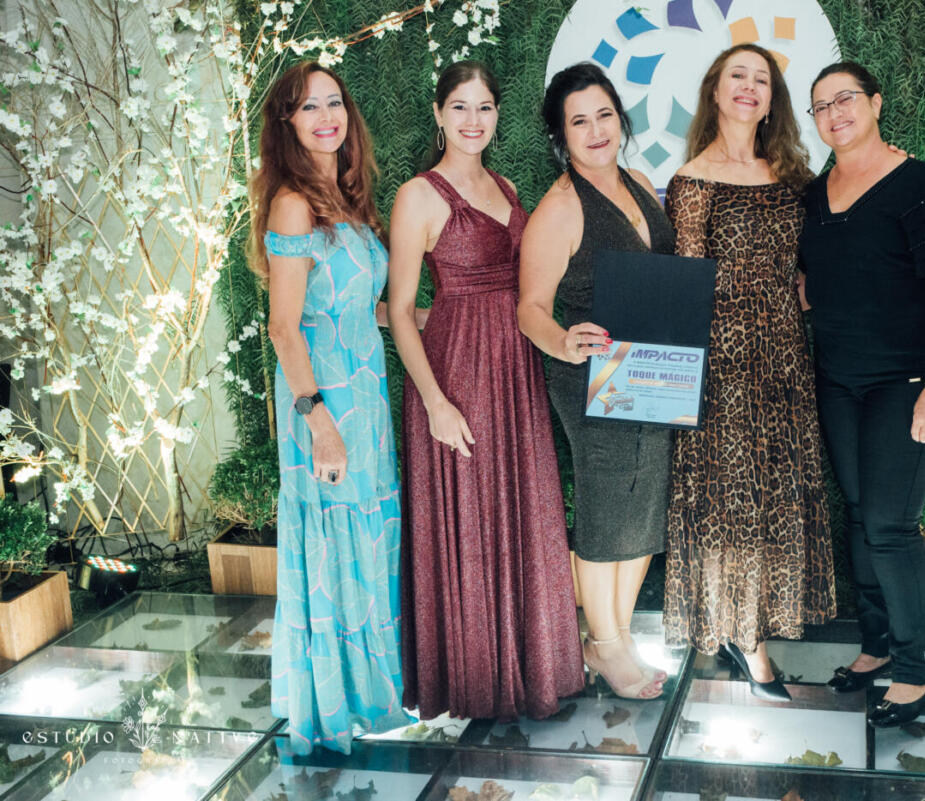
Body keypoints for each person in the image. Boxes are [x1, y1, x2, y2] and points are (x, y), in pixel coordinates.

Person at [391, 62, 583, 721]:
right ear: (439, 113)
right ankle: (476, 680)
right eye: (460, 107)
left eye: (485, 108)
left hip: (516, 369)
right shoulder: (418, 195)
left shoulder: (506, 186)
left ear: (498, 115)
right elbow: (400, 310)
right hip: (457, 373)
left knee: (523, 506)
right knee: (471, 517)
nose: (473, 120)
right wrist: (435, 402)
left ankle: (530, 669)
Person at [800, 61, 925, 727]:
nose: (834, 113)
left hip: (904, 382)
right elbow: (815, 281)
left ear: (875, 103)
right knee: (857, 515)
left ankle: (914, 671)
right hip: (839, 381)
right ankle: (876, 646)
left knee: (890, 525)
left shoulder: (915, 184)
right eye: (821, 106)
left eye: (845, 99)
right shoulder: (817, 195)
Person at [663, 44, 836, 701]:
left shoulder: (794, 175)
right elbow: (685, 284)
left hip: (786, 356)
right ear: (714, 90)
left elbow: (817, 253)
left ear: (771, 101)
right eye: (737, 75)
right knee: (732, 500)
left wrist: (809, 284)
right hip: (723, 363)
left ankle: (761, 619)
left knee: (776, 490)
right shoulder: (692, 182)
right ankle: (748, 638)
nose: (749, 86)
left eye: (761, 79)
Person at [249, 62, 411, 754]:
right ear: (286, 122)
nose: (326, 116)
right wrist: (318, 422)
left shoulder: (346, 197)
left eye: (334, 102)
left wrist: (433, 320)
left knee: (367, 539)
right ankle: (336, 700)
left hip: (365, 400)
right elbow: (284, 326)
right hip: (324, 407)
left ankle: (373, 692)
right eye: (308, 106)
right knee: (336, 543)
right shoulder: (294, 204)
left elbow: (355, 308)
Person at [518, 63, 673, 701]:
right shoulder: (560, 207)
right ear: (561, 136)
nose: (595, 130)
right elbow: (530, 308)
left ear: (620, 118)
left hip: (652, 373)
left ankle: (619, 635)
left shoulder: (637, 183)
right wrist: (563, 342)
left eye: (604, 114)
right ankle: (603, 644)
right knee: (609, 509)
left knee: (646, 504)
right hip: (592, 378)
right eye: (578, 121)